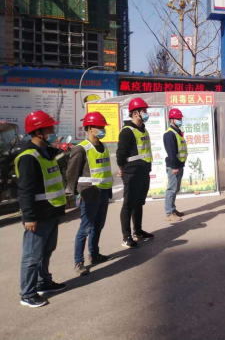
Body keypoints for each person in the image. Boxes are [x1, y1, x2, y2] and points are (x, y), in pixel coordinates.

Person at [15, 111, 67, 307]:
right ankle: (28, 294)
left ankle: (43, 282)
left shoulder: (46, 151)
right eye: (49, 128)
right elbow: (25, 190)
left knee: (46, 251)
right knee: (32, 256)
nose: (53, 131)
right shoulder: (28, 157)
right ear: (38, 132)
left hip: (52, 211)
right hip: (38, 215)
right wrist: (28, 217)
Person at [66, 112, 114, 276]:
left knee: (98, 226)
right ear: (90, 128)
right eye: (99, 127)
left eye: (103, 127)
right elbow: (71, 174)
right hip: (89, 194)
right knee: (85, 228)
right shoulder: (81, 149)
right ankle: (78, 262)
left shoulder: (103, 146)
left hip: (104, 193)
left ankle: (94, 254)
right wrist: (77, 193)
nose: (102, 130)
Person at [117, 98, 154, 248]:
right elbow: (121, 154)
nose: (146, 113)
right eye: (144, 110)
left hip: (143, 173)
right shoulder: (127, 131)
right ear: (136, 113)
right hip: (131, 173)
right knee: (128, 205)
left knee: (139, 203)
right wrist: (122, 169)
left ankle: (138, 231)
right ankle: (126, 237)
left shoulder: (143, 129)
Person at [163, 108, 188, 221]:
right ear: (171, 120)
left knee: (176, 189)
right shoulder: (169, 134)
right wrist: (174, 167)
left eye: (180, 118)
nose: (180, 120)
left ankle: (172, 209)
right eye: (178, 118)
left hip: (179, 165)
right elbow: (171, 152)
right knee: (171, 189)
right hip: (174, 166)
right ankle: (169, 213)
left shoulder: (178, 132)